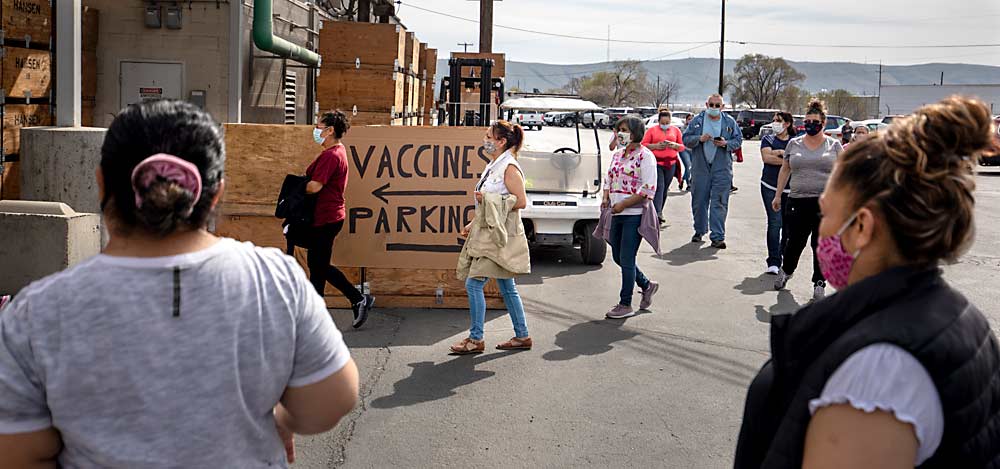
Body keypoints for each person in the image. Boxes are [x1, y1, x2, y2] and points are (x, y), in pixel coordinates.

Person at [0, 100, 360, 467]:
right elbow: (334, 397)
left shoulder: (35, 312)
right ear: (216, 191)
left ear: (101, 182)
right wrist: (280, 421)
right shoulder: (274, 279)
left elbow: (16, 453)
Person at [735, 96, 1000, 468]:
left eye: (826, 213)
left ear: (861, 227)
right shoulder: (956, 316)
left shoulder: (878, 371)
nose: (822, 230)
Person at [451, 120, 532, 354]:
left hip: (498, 238)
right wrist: (472, 223)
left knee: (473, 284)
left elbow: (521, 201)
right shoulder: (495, 164)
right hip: (491, 234)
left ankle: (475, 339)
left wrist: (485, 200)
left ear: (501, 141)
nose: (484, 139)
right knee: (507, 286)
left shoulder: (509, 167)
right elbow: (490, 204)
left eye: (488, 136)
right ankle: (522, 335)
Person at [306, 111, 374, 328]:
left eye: (319, 126)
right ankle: (318, 313)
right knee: (318, 265)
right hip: (328, 216)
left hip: (326, 217)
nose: (316, 130)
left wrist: (298, 187)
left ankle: (356, 299)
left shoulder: (331, 155)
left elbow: (315, 186)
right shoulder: (338, 151)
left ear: (330, 130)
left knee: (319, 265)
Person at [772, 99, 842, 301]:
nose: (811, 124)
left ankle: (819, 282)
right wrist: (778, 195)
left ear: (824, 123)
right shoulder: (794, 144)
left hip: (825, 204)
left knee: (820, 245)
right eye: (808, 121)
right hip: (797, 201)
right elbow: (785, 169)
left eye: (815, 121)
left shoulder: (834, 145)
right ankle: (786, 270)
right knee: (794, 242)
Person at [602, 117, 660, 319]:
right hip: (616, 213)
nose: (619, 134)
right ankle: (646, 284)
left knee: (627, 257)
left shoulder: (646, 157)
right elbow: (609, 178)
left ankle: (625, 303)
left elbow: (648, 188)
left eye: (624, 130)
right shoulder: (618, 155)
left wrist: (625, 204)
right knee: (618, 256)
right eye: (618, 130)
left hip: (634, 214)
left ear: (635, 133)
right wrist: (606, 197)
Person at [682, 93, 744, 249]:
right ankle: (699, 230)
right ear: (706, 104)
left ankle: (717, 236)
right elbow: (685, 139)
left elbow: (738, 141)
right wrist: (699, 139)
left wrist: (725, 143)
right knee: (699, 201)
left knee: (720, 202)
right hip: (700, 168)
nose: (714, 108)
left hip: (721, 169)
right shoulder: (697, 121)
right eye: (712, 105)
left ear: (722, 107)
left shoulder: (729, 122)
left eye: (718, 105)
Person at [759, 112, 795, 275]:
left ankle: (783, 259)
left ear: (787, 124)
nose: (775, 123)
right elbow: (766, 158)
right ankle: (773, 261)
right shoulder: (768, 139)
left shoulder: (795, 142)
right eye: (773, 121)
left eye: (778, 121)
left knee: (788, 227)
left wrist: (780, 154)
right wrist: (786, 161)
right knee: (775, 223)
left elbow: (798, 161)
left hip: (791, 189)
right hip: (770, 186)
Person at [641, 109, 686, 227]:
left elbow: (682, 147)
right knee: (659, 187)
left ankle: (659, 210)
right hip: (656, 163)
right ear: (659, 121)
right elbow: (643, 145)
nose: (665, 125)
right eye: (663, 122)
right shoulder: (652, 130)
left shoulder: (676, 131)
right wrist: (655, 146)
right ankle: (657, 214)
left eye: (667, 122)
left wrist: (675, 145)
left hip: (670, 164)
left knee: (665, 189)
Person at [678, 114, 695, 191]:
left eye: (692, 119)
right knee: (688, 166)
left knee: (693, 167)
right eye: (689, 119)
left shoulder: (697, 128)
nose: (690, 120)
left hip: (693, 150)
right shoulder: (682, 129)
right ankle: (689, 184)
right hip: (684, 149)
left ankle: (682, 179)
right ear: (686, 120)